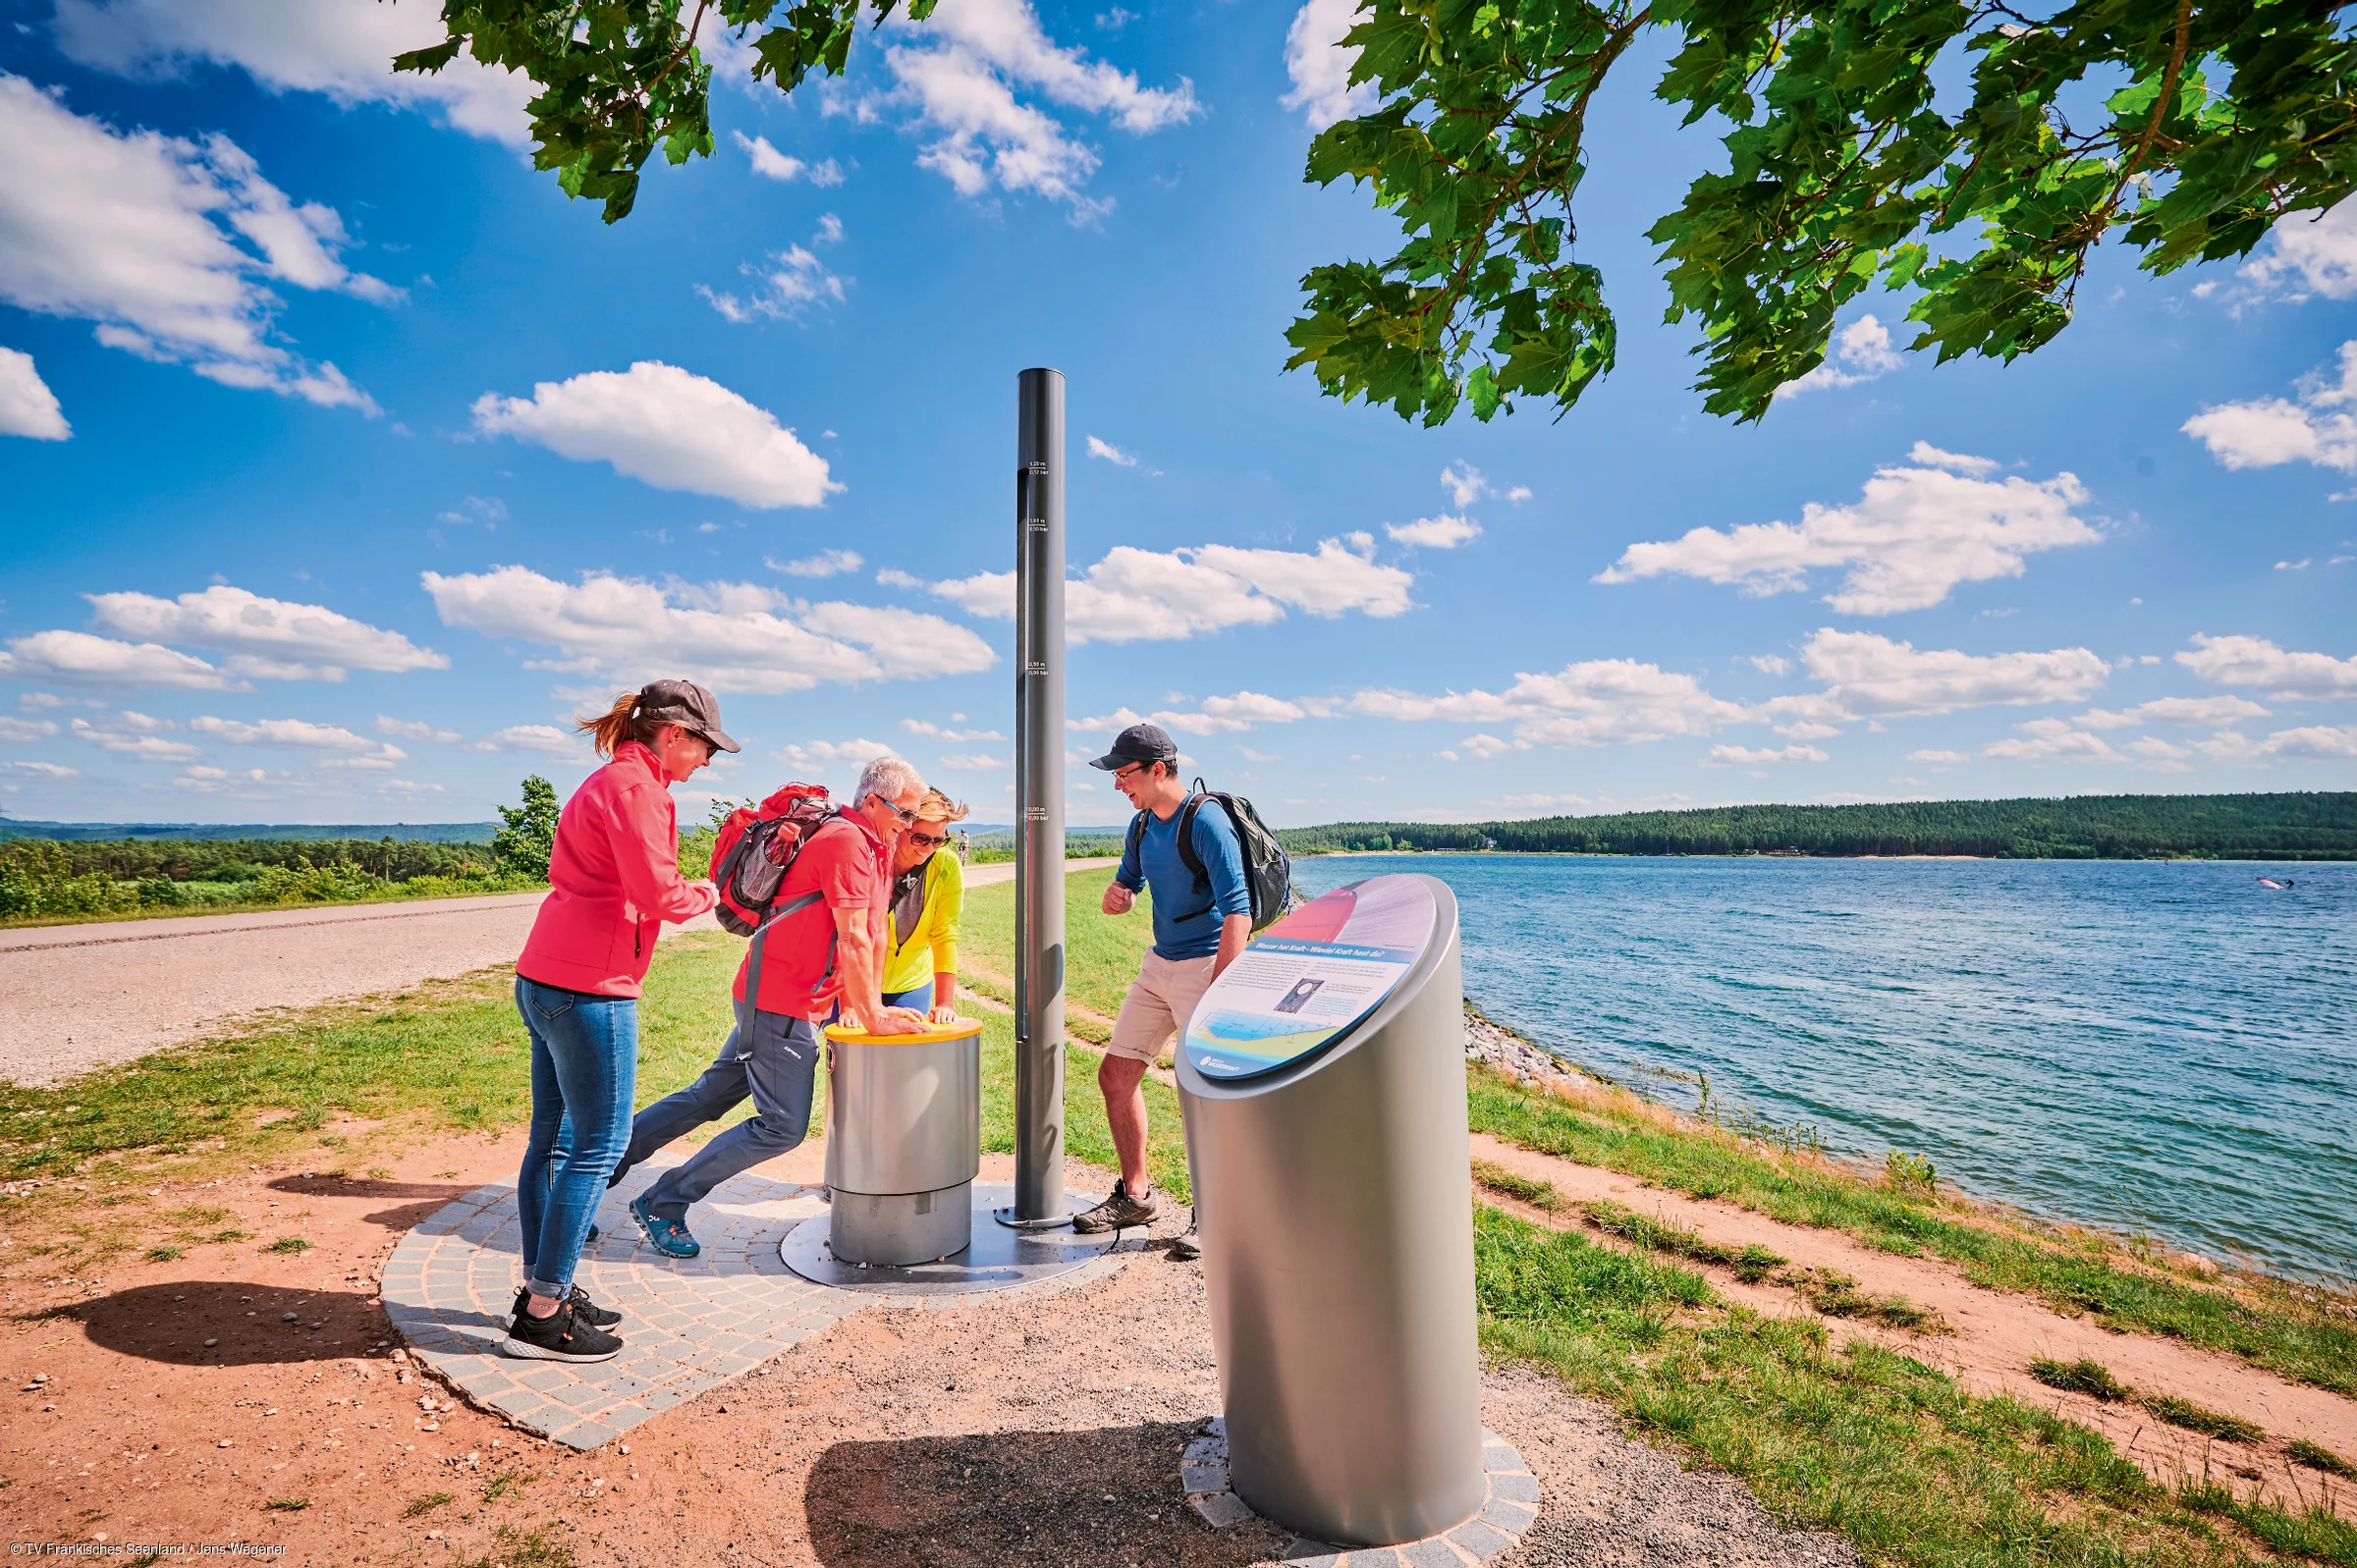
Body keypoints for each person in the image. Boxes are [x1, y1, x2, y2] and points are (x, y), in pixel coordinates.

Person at [608, 755, 931, 1258]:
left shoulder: (871, 845)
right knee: (780, 1126)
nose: (910, 826)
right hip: (783, 1004)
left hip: (777, 999)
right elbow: (854, 939)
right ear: (872, 802)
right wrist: (874, 1016)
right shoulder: (847, 842)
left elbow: (869, 933)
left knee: (710, 1095)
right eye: (905, 814)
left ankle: (595, 1172)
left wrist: (858, 1006)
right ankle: (664, 1201)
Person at [505, 680, 734, 1362]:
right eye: (704, 746)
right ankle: (544, 1315)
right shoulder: (641, 791)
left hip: (544, 973)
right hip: (591, 988)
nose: (706, 761)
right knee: (598, 1145)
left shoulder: (607, 780)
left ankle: (542, 1285)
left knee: (551, 1142)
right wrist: (712, 892)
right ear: (672, 735)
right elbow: (656, 892)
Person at [1075, 722, 1251, 1259]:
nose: (1117, 785)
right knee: (1116, 1074)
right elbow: (1131, 882)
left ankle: (1215, 1215)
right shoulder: (1142, 825)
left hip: (1206, 968)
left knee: (1202, 1095)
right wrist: (1120, 894)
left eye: (1124, 774)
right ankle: (1136, 1195)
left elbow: (1238, 911)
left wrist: (1222, 986)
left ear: (1159, 769)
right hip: (1160, 966)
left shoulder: (1207, 822)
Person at [881, 788, 970, 1021]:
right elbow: (851, 933)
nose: (928, 848)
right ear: (902, 827)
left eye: (938, 840)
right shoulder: (875, 857)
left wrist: (945, 1004)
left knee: (906, 1057)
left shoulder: (946, 865)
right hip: (857, 979)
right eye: (920, 838)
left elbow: (945, 934)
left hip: (911, 983)